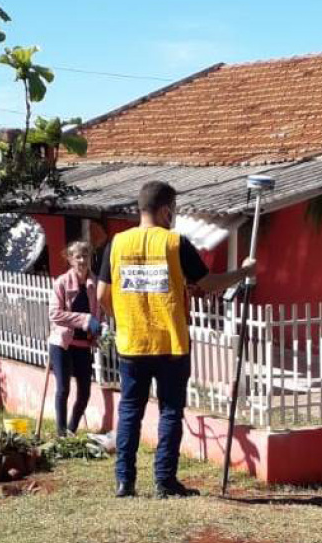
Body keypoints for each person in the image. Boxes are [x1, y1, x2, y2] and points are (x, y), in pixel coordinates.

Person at [98, 181, 258, 499]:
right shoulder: (174, 243)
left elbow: (103, 294)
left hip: (132, 343)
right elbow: (210, 282)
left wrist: (125, 317)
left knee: (130, 410)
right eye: (174, 210)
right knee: (171, 410)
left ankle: (124, 482)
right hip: (170, 342)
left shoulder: (116, 244)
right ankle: (164, 482)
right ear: (165, 210)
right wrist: (243, 273)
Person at [47, 241, 103, 437]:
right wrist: (85, 320)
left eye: (85, 256)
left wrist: (98, 329)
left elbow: (99, 312)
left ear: (90, 259)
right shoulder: (61, 282)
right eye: (77, 256)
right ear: (70, 260)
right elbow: (54, 314)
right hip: (62, 343)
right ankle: (61, 434)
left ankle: (71, 429)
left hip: (83, 344)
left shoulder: (95, 284)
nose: (82, 260)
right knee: (63, 389)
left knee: (85, 392)